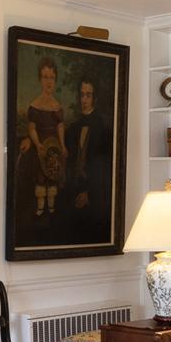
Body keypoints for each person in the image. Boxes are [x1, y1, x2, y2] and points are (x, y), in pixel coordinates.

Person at [18, 59, 67, 219]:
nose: (48, 81)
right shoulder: (35, 105)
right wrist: (37, 143)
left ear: (55, 79)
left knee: (52, 175)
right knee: (41, 177)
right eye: (45, 77)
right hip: (40, 148)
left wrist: (63, 145)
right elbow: (32, 128)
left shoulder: (57, 106)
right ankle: (40, 209)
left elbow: (60, 127)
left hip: (54, 148)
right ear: (40, 79)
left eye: (51, 77)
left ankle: (51, 209)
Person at [66, 77, 112, 229]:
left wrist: (89, 193)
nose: (84, 99)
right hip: (74, 188)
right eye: (82, 95)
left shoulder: (104, 126)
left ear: (94, 98)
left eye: (88, 95)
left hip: (95, 192)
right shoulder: (73, 127)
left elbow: (104, 165)